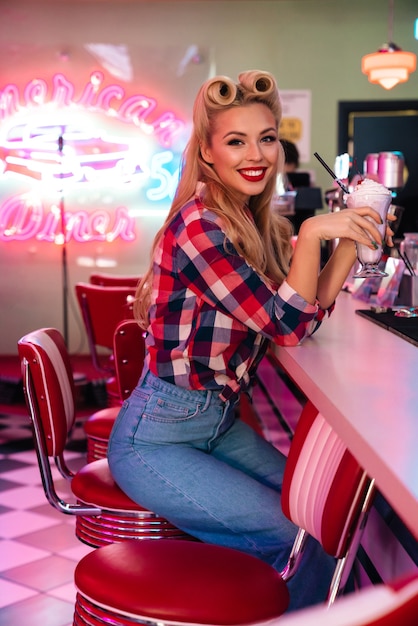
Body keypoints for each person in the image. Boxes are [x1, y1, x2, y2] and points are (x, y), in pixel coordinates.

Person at [108, 70, 394, 611]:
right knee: (296, 540)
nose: (255, 153)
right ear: (209, 154)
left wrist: (350, 241)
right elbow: (288, 325)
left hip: (216, 424)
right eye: (235, 141)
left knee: (317, 523)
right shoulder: (200, 228)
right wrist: (315, 232)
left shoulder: (246, 221)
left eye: (266, 138)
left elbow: (300, 317)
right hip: (156, 438)